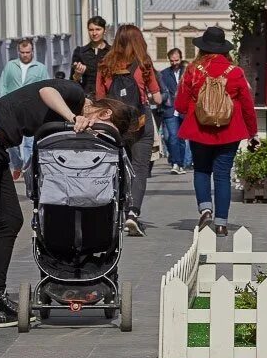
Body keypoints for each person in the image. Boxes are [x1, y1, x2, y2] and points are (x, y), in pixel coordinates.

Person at [0, 80, 140, 327]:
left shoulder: (73, 112)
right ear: (104, 113)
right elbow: (46, 91)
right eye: (103, 126)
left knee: (11, 220)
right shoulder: (74, 95)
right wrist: (72, 116)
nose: (96, 132)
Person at [174, 27, 257, 237]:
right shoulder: (235, 72)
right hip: (229, 131)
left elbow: (181, 105)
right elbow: (247, 105)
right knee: (222, 176)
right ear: (224, 50)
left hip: (199, 129)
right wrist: (252, 132)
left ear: (202, 48)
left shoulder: (193, 71)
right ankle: (221, 224)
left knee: (201, 171)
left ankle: (205, 208)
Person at [96, 25, 162, 237]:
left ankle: (115, 212)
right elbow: (158, 97)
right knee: (140, 168)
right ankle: (132, 213)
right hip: (140, 122)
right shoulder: (144, 64)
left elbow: (99, 99)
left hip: (114, 122)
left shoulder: (105, 64)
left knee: (114, 167)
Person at [0, 38, 49, 182]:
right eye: (22, 52)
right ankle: (18, 164)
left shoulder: (40, 68)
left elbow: (46, 87)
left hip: (32, 110)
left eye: (28, 52)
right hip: (12, 108)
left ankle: (27, 170)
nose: (25, 55)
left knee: (29, 141)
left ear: (32, 51)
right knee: (11, 140)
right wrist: (1, 104)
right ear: (18, 51)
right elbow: (3, 85)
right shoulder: (10, 66)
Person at [160, 48, 191, 175]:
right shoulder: (164, 74)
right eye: (172, 61)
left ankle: (182, 164)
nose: (174, 63)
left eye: (176, 60)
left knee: (182, 138)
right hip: (170, 108)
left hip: (184, 109)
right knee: (172, 137)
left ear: (181, 58)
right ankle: (176, 163)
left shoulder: (188, 72)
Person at [70, 16, 110, 99]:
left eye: (98, 29)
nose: (94, 33)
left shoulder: (112, 52)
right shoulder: (80, 52)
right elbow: (72, 81)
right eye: (91, 30)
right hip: (87, 97)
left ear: (104, 31)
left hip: (108, 97)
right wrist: (77, 75)